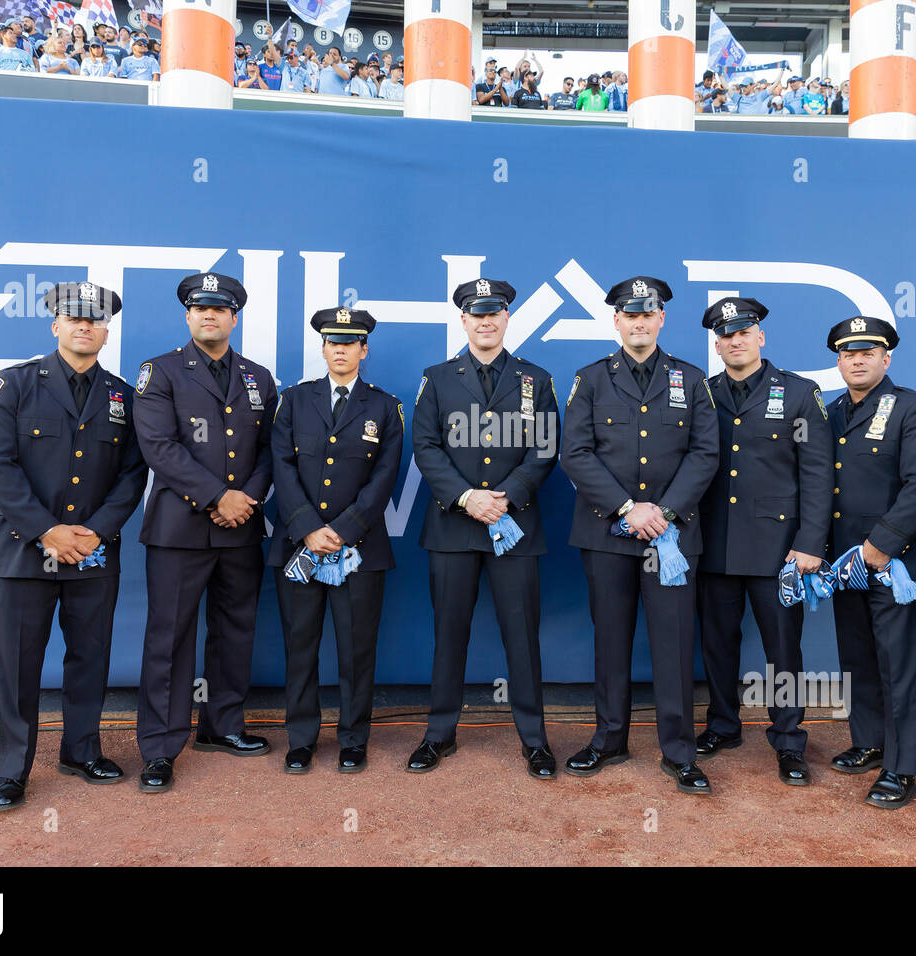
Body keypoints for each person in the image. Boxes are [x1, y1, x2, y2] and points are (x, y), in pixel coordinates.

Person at [0, 282, 147, 812]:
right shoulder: (15, 384)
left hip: (93, 554)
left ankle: (80, 750)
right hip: (23, 553)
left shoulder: (122, 396)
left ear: (106, 331)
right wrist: (46, 530)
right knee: (18, 667)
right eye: (74, 319)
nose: (84, 327)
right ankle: (11, 771)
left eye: (95, 321)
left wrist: (96, 530)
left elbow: (134, 472)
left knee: (89, 659)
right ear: (55, 325)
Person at [561, 276, 719, 795]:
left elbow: (704, 454)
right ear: (617, 322)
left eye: (648, 315)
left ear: (661, 320)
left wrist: (665, 512)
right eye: (630, 316)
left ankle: (680, 751)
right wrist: (630, 509)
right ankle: (609, 739)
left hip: (671, 537)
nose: (640, 323)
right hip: (608, 532)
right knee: (610, 640)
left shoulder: (691, 379)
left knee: (674, 645)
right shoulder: (590, 379)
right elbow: (575, 453)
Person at [132, 273, 279, 793]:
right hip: (180, 529)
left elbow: (269, 452)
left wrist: (246, 500)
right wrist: (220, 497)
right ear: (187, 317)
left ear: (235, 317)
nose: (209, 316)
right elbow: (159, 446)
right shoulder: (161, 372)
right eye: (199, 309)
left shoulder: (260, 378)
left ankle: (224, 726)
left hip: (241, 528)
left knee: (235, 631)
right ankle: (160, 746)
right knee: (169, 639)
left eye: (220, 309)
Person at [408, 279, 560, 779]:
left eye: (495, 313)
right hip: (454, 525)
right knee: (448, 635)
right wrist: (468, 497)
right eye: (477, 315)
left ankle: (534, 740)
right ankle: (438, 735)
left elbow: (544, 449)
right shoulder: (437, 378)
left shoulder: (535, 379)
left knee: (523, 637)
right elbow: (426, 447)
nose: (486, 322)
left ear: (507, 317)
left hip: (514, 525)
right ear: (464, 321)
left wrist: (507, 496)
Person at [696, 297, 832, 786]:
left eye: (743, 333)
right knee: (716, 643)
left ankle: (790, 739)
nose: (735, 341)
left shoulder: (798, 393)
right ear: (717, 344)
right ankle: (723, 725)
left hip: (779, 549)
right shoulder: (703, 392)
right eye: (726, 336)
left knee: (783, 649)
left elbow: (817, 474)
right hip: (713, 543)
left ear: (761, 337)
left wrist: (811, 541)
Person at [269, 309, 403, 774]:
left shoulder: (384, 406)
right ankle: (301, 739)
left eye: (351, 342)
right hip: (299, 548)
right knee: (300, 647)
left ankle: (353, 738)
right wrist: (308, 527)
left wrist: (343, 530)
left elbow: (385, 476)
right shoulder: (295, 400)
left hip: (359, 550)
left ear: (364, 350)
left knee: (356, 648)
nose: (341, 349)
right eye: (332, 342)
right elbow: (281, 468)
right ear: (323, 349)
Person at [823, 316, 916, 809]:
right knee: (857, 656)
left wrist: (882, 544)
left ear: (885, 358)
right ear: (838, 360)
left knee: (899, 663)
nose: (857, 360)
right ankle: (870, 741)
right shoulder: (829, 412)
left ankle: (902, 766)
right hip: (844, 561)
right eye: (848, 353)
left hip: (896, 562)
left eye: (867, 352)